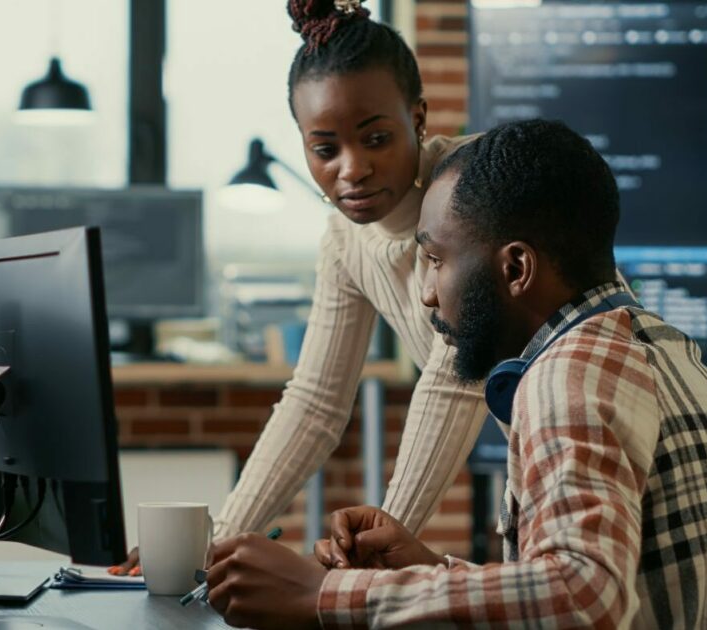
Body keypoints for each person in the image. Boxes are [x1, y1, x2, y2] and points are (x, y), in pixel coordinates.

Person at [203, 120, 707, 629]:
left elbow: (585, 599)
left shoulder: (568, 374)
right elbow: (581, 584)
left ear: (515, 268)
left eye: (434, 260)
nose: (427, 296)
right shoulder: (652, 342)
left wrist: (324, 594)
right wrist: (428, 567)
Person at [112, 0, 494, 573]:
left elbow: (455, 381)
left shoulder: (472, 188)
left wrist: (370, 558)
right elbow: (315, 402)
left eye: (376, 138)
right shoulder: (345, 241)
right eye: (324, 149)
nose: (351, 169)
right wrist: (212, 544)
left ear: (417, 117)